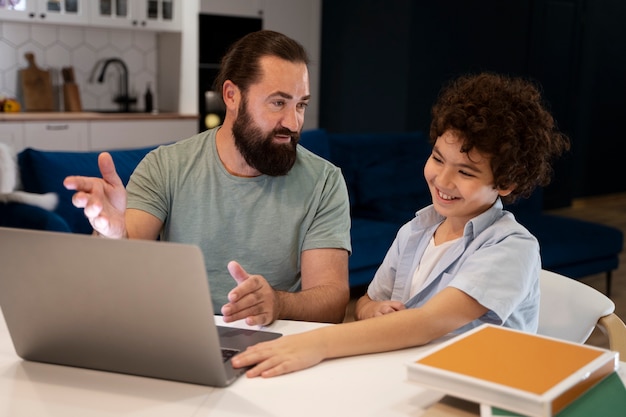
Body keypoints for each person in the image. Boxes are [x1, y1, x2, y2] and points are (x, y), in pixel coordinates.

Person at [230, 72, 570, 377]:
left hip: (482, 389)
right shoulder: (415, 231)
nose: (443, 180)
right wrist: (373, 309)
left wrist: (318, 342)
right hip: (410, 375)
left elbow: (428, 323)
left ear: (505, 183)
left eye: (466, 172)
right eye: (438, 158)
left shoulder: (511, 248)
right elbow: (365, 302)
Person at [63, 30, 352, 326]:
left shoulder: (324, 182)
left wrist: (278, 303)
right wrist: (112, 235)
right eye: (278, 103)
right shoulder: (166, 166)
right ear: (232, 96)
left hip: (272, 341)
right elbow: (121, 260)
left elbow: (332, 302)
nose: (293, 123)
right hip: (180, 333)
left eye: (300, 105)